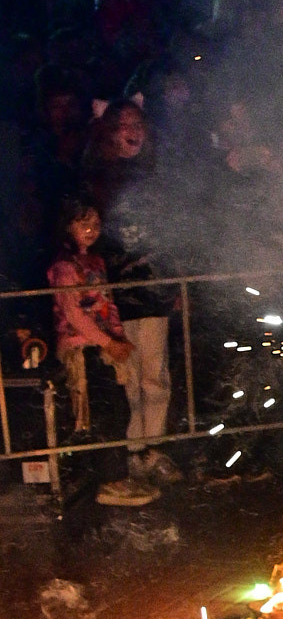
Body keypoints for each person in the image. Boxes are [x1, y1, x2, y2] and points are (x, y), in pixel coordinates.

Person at [81, 100, 177, 485]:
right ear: (108, 131)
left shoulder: (155, 177)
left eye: (138, 122)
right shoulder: (94, 178)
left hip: (150, 291)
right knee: (127, 377)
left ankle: (153, 449)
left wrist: (173, 279)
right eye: (123, 124)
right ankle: (130, 451)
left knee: (155, 374)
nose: (132, 131)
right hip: (112, 297)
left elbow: (170, 231)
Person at [48, 194, 151, 505]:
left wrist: (118, 337)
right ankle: (108, 481)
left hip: (104, 347)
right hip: (84, 350)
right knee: (105, 414)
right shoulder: (65, 267)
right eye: (83, 223)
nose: (91, 230)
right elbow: (75, 314)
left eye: (95, 223)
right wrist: (109, 342)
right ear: (67, 226)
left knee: (118, 411)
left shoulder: (96, 262)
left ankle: (115, 476)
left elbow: (107, 303)